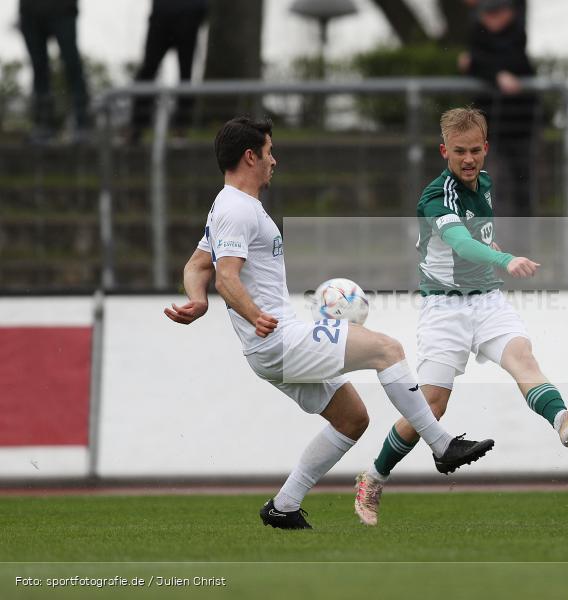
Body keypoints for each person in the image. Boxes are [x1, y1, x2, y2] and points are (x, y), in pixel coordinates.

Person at [165, 116, 494, 530]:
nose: (274, 161)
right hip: (278, 339)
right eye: (268, 152)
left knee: (352, 418)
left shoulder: (227, 204)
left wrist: (197, 300)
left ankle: (284, 507)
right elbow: (226, 275)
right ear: (250, 156)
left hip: (269, 345)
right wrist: (253, 315)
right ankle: (442, 444)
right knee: (386, 349)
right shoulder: (236, 209)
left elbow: (198, 264)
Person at [353, 107, 568, 526]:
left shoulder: (484, 183)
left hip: (486, 301)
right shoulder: (436, 197)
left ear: (486, 149)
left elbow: (480, 236)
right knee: (432, 406)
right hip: (443, 309)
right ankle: (373, 479)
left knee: (523, 357)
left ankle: (563, 421)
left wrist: (497, 255)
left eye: (475, 151)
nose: (469, 160)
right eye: (459, 152)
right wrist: (505, 258)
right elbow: (462, 244)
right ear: (444, 150)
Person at [460, 0, 537, 217]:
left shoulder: (516, 34)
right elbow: (475, 63)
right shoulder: (477, 33)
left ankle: (521, 237)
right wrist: (496, 75)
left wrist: (482, 67)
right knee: (493, 184)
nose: (491, 19)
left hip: (518, 125)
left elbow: (512, 63)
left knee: (522, 185)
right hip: (490, 126)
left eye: (496, 13)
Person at [129, 0, 208, 144]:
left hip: (186, 14)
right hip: (165, 14)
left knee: (183, 75)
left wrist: (200, 9)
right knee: (149, 70)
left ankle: (180, 127)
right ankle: (137, 126)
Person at [18, 0, 90, 142]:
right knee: (39, 69)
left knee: (72, 64)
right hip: (30, 11)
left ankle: (82, 122)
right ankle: (42, 123)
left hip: (63, 9)